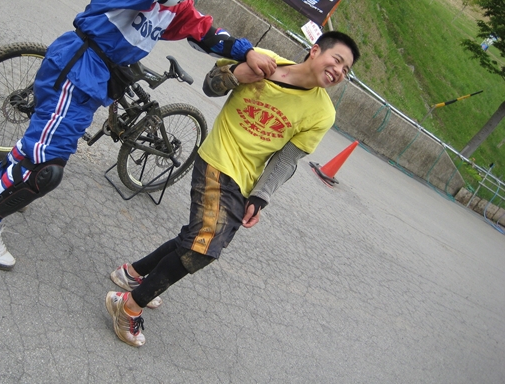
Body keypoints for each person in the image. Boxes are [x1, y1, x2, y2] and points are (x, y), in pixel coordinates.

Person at [0, 0, 277, 270]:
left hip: (96, 75)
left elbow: (206, 32)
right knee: (47, 168)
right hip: (80, 66)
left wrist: (248, 52)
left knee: (43, 139)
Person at [105, 31, 360, 347]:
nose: (339, 71)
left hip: (245, 179)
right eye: (337, 60)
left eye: (346, 70)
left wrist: (261, 196)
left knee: (197, 238)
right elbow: (210, 86)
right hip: (217, 159)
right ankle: (128, 306)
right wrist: (238, 73)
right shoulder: (263, 60)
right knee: (204, 246)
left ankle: (132, 274)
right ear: (316, 50)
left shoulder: (323, 113)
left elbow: (286, 160)